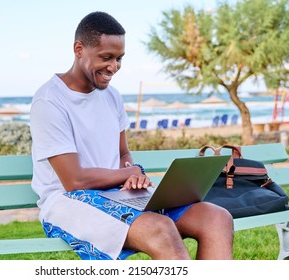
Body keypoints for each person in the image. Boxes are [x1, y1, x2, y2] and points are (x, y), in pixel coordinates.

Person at [30, 11, 234, 260]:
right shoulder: (50, 101)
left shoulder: (112, 95)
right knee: (161, 229)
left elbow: (122, 153)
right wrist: (130, 172)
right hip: (67, 201)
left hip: (118, 193)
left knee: (217, 218)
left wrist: (130, 178)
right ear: (79, 49)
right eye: (106, 57)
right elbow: (75, 180)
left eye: (119, 58)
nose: (113, 67)